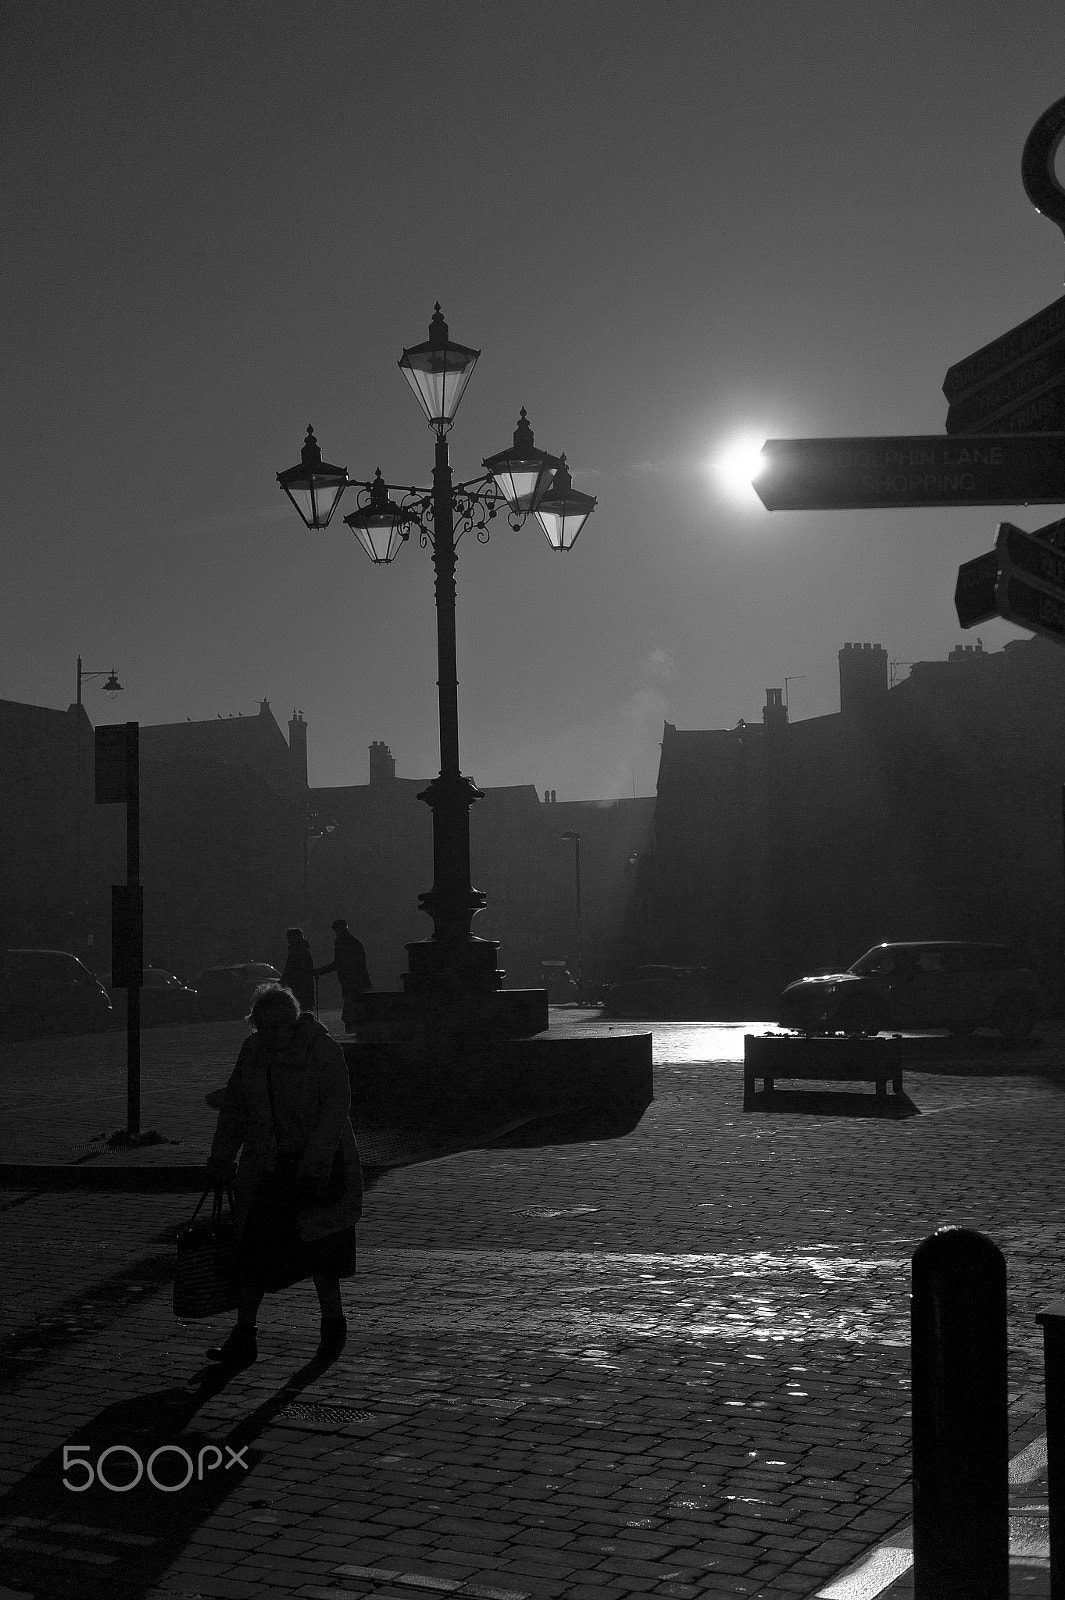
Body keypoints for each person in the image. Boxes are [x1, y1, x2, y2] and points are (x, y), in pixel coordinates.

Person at [203, 982, 362, 1368]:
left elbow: (335, 1107)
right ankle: (244, 1335)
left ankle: (333, 1325)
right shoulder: (252, 1052)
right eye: (264, 1027)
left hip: (315, 1167)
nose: (272, 1035)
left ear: (294, 1022)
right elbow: (236, 1108)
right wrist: (221, 1157)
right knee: (253, 1252)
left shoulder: (321, 1049)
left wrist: (317, 1163)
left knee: (321, 1252)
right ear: (254, 1025)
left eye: (279, 1027)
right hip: (267, 1167)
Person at [314, 917, 373, 1032]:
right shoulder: (353, 942)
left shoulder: (344, 943)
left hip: (352, 983)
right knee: (354, 1012)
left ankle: (352, 1035)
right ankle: (356, 1034)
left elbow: (339, 963)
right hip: (358, 983)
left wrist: (320, 971)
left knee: (349, 1015)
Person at [280, 927, 316, 1013]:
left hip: (300, 988)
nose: (288, 940)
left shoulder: (298, 952)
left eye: (290, 937)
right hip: (301, 987)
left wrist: (284, 980)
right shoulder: (301, 951)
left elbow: (291, 969)